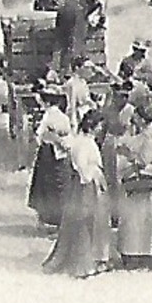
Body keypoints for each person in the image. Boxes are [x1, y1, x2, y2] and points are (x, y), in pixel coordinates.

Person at [43, 109, 112, 278]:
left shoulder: (83, 141)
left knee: (90, 222)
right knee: (85, 222)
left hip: (85, 183)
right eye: (99, 126)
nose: (100, 129)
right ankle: (83, 263)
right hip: (86, 185)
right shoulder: (84, 143)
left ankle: (93, 258)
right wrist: (92, 176)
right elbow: (81, 166)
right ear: (92, 125)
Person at [114, 105, 152, 270]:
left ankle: (135, 255)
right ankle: (144, 253)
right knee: (146, 219)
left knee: (136, 220)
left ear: (142, 118)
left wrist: (127, 153)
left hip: (144, 178)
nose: (134, 120)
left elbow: (143, 160)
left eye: (137, 117)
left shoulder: (149, 135)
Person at [28, 83, 71, 226]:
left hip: (48, 152)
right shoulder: (63, 117)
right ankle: (58, 217)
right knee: (58, 184)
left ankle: (47, 216)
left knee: (45, 184)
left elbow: (39, 135)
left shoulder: (48, 115)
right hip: (59, 152)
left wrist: (47, 137)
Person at [54, 0, 116, 72]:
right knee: (77, 41)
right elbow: (100, 11)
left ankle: (57, 69)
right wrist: (99, 23)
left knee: (62, 39)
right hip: (77, 10)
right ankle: (72, 71)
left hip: (64, 8)